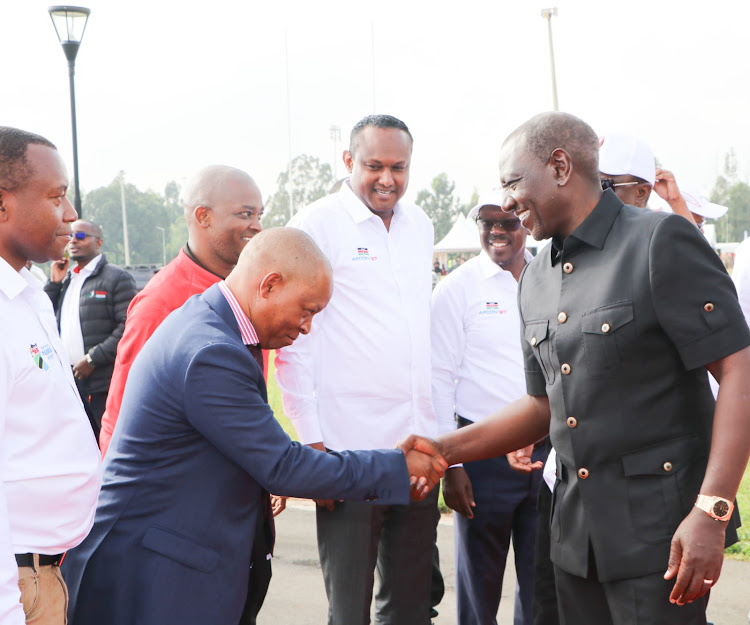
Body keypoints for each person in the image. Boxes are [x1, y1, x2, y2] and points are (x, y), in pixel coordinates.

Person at [427, 111, 750, 625]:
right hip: (575, 538)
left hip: (661, 535)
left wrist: (712, 510)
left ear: (560, 166)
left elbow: (739, 371)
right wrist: (444, 450)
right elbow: (543, 406)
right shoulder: (535, 277)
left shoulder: (657, 240)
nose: (506, 201)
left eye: (513, 182)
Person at [61, 228, 446, 625]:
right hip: (149, 578)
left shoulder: (213, 326)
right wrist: (397, 466)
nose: (307, 326)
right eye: (307, 310)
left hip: (166, 565)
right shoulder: (211, 351)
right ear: (270, 285)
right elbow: (283, 466)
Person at [95, 164, 280, 625]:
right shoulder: (163, 301)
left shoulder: (242, 293)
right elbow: (120, 418)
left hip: (236, 510)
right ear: (202, 216)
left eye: (260, 213)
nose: (257, 225)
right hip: (180, 528)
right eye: (244, 213)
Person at [275, 114, 438, 625]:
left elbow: (417, 334)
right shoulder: (316, 225)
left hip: (415, 449)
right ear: (348, 161)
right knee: (350, 609)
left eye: (399, 167)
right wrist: (314, 445)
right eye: (374, 165)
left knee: (412, 605)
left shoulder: (420, 225)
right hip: (348, 453)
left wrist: (439, 444)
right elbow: (295, 344)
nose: (387, 178)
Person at [432, 188, 547, 625]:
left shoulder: (551, 277)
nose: (497, 231)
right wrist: (453, 466)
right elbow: (438, 379)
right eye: (487, 223)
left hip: (546, 453)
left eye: (508, 222)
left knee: (543, 583)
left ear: (525, 222)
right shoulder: (456, 289)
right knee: (479, 585)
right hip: (481, 455)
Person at [0, 126, 101, 624]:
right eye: (57, 196)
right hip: (15, 585)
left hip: (42, 572)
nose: (70, 215)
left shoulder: (29, 293)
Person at [43, 220, 137, 437]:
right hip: (73, 385)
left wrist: (93, 359)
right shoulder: (68, 279)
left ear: (99, 242)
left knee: (109, 441)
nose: (74, 240)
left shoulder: (116, 277)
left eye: (82, 236)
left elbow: (128, 327)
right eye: (70, 237)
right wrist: (55, 283)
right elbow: (43, 318)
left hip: (103, 384)